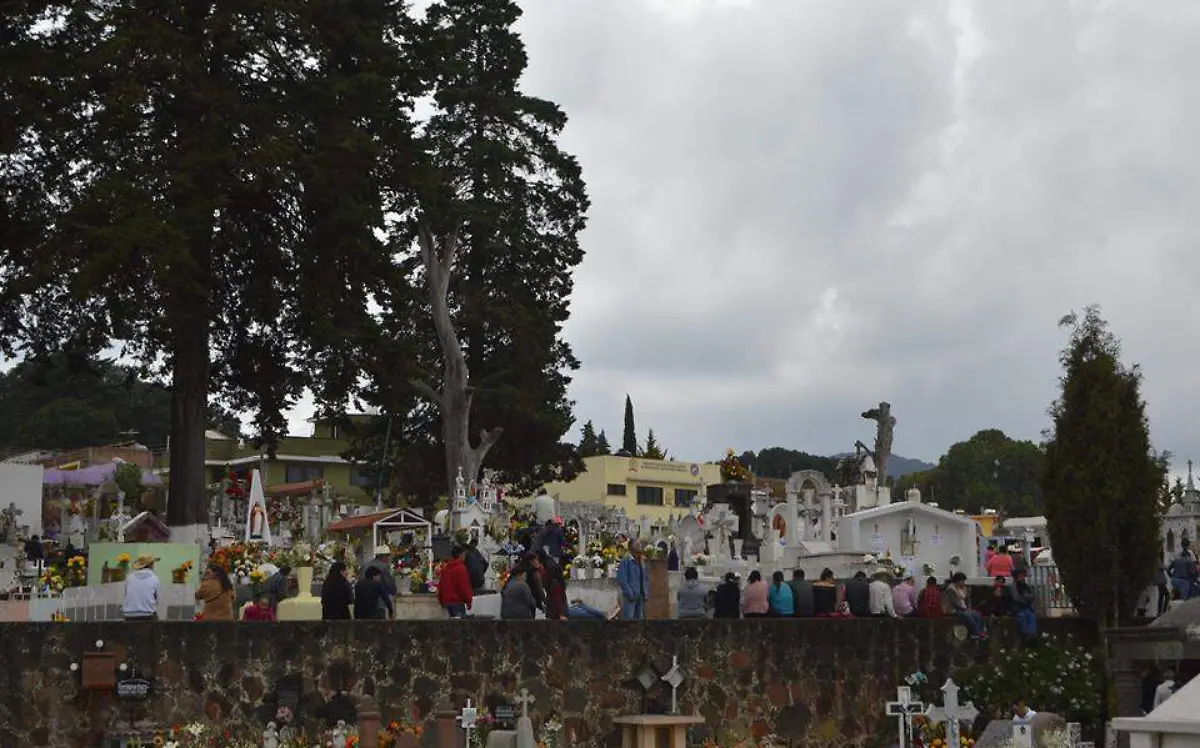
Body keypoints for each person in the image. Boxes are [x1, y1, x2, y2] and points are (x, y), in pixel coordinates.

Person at [437, 546, 474, 618]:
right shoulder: (461, 568)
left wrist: (442, 600)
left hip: (447, 602)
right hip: (457, 602)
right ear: (461, 555)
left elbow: (441, 585)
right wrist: (469, 601)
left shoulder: (446, 569)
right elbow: (464, 587)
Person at [122, 555, 161, 621]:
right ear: (151, 565)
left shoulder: (129, 578)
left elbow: (126, 595)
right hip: (148, 616)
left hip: (128, 615)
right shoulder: (154, 579)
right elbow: (158, 599)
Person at [949, 572, 987, 639]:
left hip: (964, 608)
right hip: (955, 609)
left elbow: (967, 599)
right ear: (958, 581)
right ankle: (976, 633)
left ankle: (976, 633)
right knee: (967, 615)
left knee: (977, 614)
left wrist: (969, 608)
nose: (964, 583)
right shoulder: (951, 589)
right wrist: (964, 609)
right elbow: (954, 602)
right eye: (963, 581)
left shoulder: (963, 589)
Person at [616, 541, 648, 620]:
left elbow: (645, 578)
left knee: (639, 620)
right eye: (637, 545)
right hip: (630, 598)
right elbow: (622, 579)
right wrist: (630, 593)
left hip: (641, 596)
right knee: (629, 620)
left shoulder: (641, 561)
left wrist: (645, 592)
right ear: (631, 549)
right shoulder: (626, 561)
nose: (639, 546)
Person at [1009, 568, 1038, 640]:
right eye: (1020, 576)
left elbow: (1032, 596)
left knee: (1031, 616)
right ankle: (1024, 633)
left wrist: (1026, 597)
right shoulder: (1013, 586)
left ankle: (1031, 633)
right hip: (1016, 608)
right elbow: (1016, 597)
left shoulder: (1025, 586)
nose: (1022, 578)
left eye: (1023, 576)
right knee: (1022, 616)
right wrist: (1025, 597)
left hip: (1025, 607)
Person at [541, 553, 569, 620]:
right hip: (556, 614)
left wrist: (560, 614)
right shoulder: (556, 583)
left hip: (555, 614)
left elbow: (557, 600)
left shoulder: (554, 583)